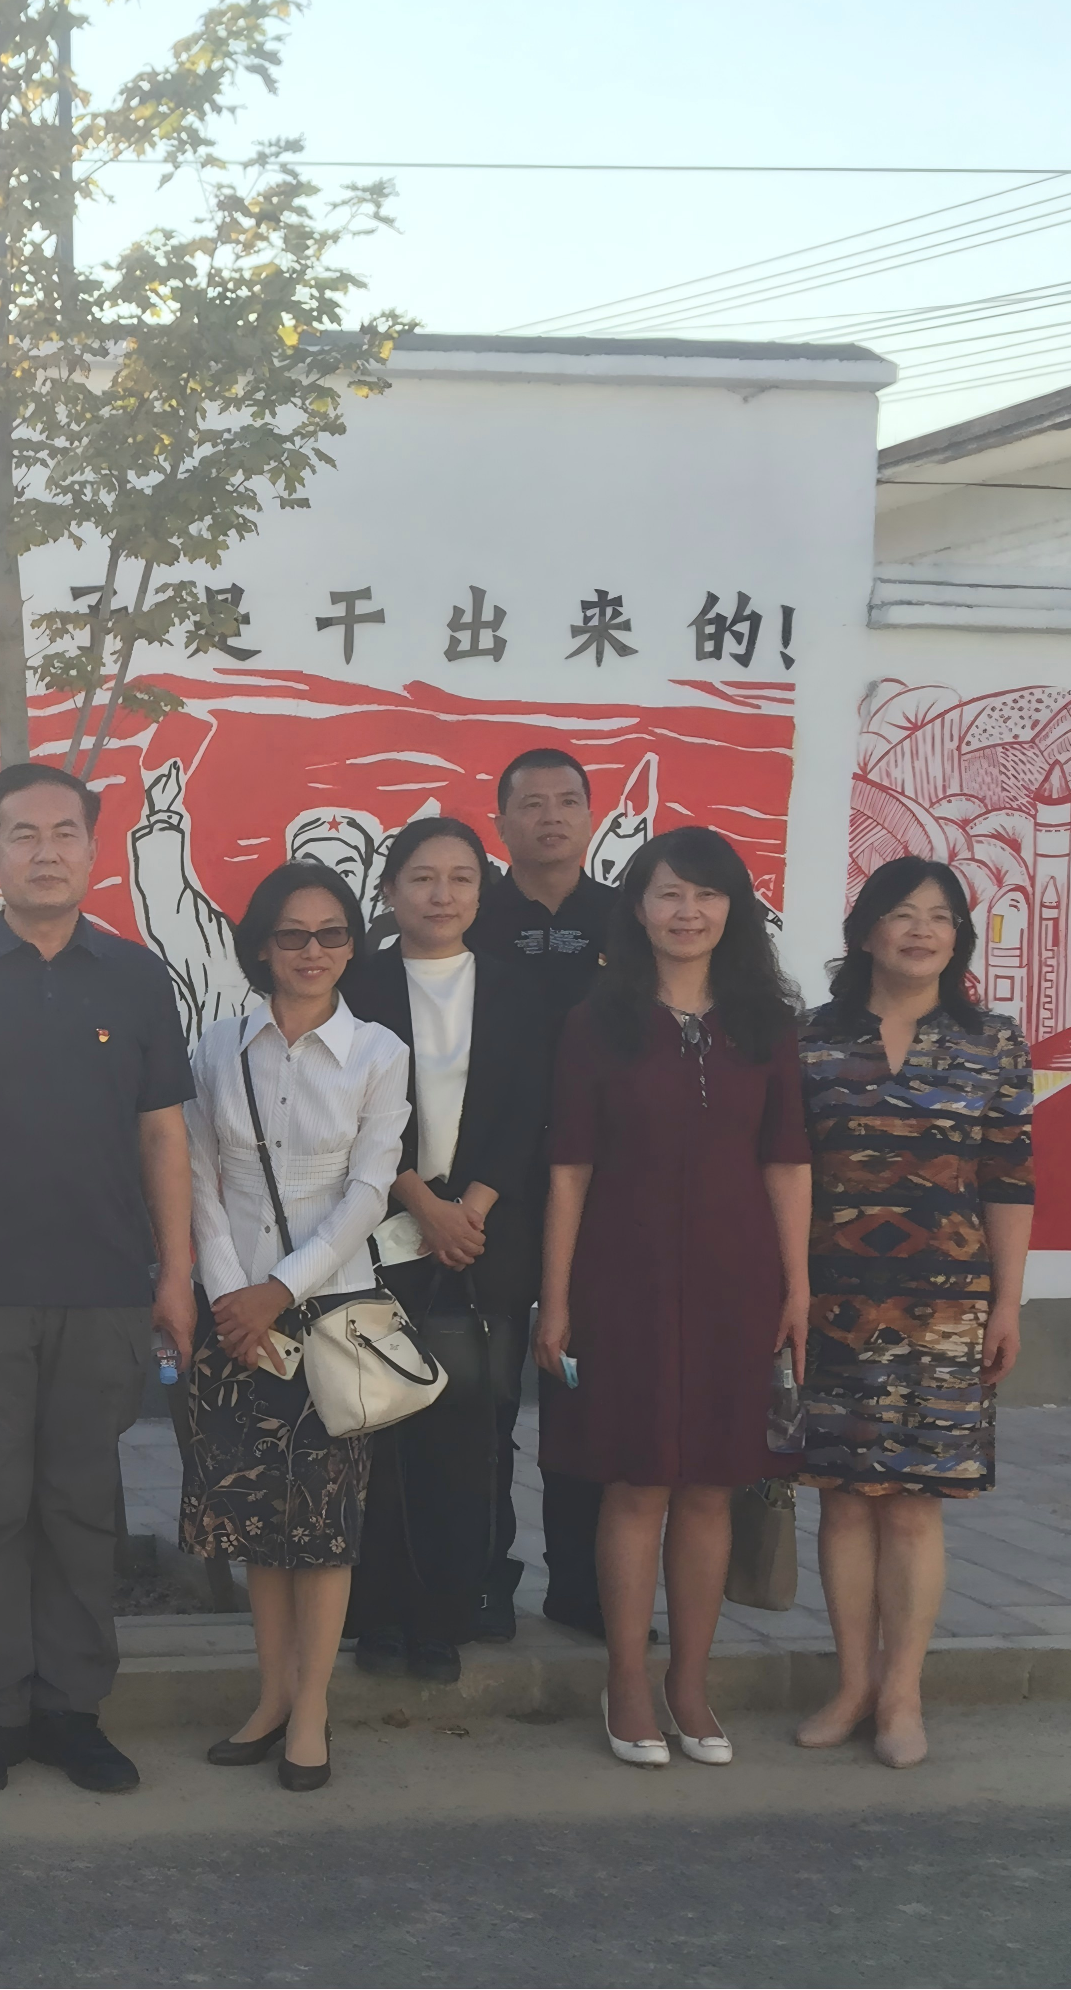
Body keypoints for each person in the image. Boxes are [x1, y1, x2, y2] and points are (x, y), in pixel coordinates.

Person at [0, 762, 195, 1797]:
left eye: (65, 832)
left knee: (80, 1502)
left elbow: (163, 1137)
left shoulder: (138, 979)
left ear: (94, 850)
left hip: (105, 1286)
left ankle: (72, 1708)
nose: (46, 851)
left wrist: (175, 1273)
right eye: (23, 834)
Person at [533, 826, 810, 1769]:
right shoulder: (597, 1023)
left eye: (707, 894)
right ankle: (625, 1679)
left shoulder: (766, 1024)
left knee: (711, 1487)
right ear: (639, 909)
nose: (688, 912)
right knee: (637, 1481)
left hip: (739, 1282)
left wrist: (797, 1287)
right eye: (668, 894)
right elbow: (569, 1170)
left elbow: (787, 1162)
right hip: (624, 1280)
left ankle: (690, 1683)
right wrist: (555, 1297)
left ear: (734, 908)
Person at [792, 858, 1033, 1770]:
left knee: (915, 1505)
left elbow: (1008, 1178)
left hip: (948, 1306)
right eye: (902, 913)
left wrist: (1007, 1302)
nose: (922, 929)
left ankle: (902, 1694)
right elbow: (786, 1172)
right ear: (865, 932)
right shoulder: (811, 1042)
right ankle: (852, 1684)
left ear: (958, 938)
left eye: (941, 916)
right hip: (833, 1300)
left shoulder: (991, 1043)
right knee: (845, 1501)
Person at [181, 861, 408, 1792]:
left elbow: (370, 1190)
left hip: (330, 1313)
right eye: (292, 934)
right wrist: (232, 1299)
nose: (312, 951)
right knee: (255, 1520)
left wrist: (279, 1289)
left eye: (331, 933)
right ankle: (271, 1694)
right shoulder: (217, 1046)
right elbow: (199, 1178)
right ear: (262, 945)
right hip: (233, 1311)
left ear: (351, 945)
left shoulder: (378, 1051)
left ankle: (312, 1707)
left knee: (322, 1522)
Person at [342, 819, 552, 1686]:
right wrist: (420, 1201)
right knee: (379, 1434)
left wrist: (471, 1208)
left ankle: (446, 1615)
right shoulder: (355, 984)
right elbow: (344, 1108)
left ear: (481, 891)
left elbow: (530, 1110)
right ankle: (376, 1613)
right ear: (390, 890)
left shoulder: (518, 991)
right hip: (375, 1235)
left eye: (461, 877)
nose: (442, 894)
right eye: (422, 877)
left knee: (471, 1438)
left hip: (481, 1244)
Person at [474, 746, 622, 1642]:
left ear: (592, 816)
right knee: (483, 1397)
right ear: (501, 822)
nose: (551, 817)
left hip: (600, 1194)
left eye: (568, 801)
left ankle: (585, 1585)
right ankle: (481, 1579)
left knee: (583, 1393)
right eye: (531, 803)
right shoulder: (471, 914)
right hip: (488, 1192)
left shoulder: (627, 920)